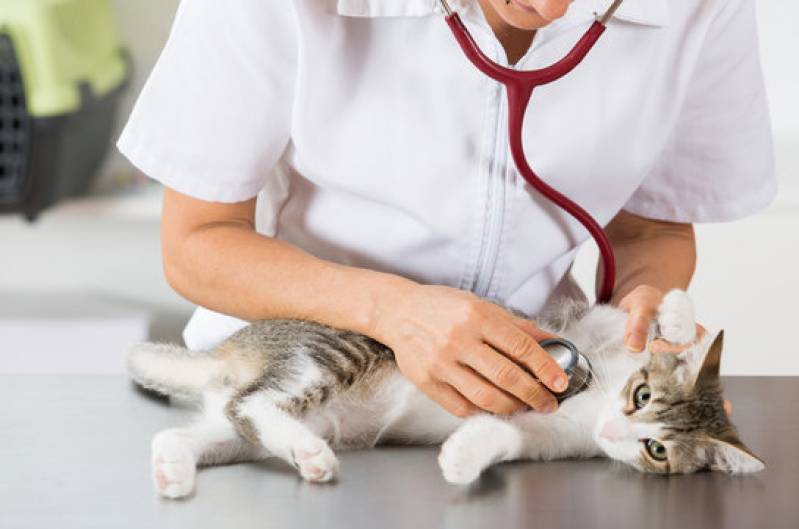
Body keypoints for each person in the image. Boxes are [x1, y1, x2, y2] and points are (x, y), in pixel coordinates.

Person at [118, 0, 775, 418]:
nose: (549, 7)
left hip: (526, 398)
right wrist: (398, 312)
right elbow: (196, 242)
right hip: (295, 396)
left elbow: (651, 228)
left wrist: (644, 300)